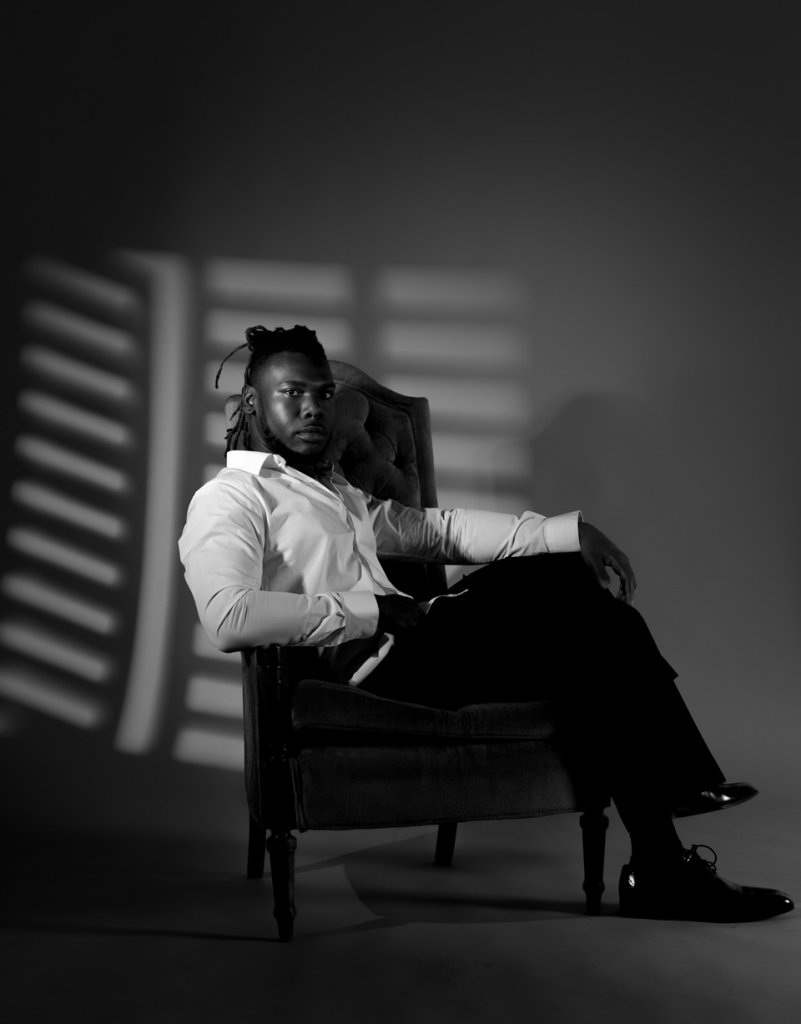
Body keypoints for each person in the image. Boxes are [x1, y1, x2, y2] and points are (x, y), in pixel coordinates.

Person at [179, 324, 793, 923]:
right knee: (572, 591)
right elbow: (228, 616)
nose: (313, 407)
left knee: (604, 630)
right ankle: (671, 820)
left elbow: (440, 531)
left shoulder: (336, 492)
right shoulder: (230, 498)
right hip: (377, 668)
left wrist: (571, 530)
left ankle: (660, 861)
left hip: (423, 644)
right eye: (292, 393)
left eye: (322, 392)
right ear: (253, 403)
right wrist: (369, 609)